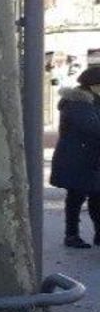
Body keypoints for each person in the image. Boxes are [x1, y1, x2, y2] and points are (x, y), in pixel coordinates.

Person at [49, 66, 100, 248]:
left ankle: (98, 234)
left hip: (90, 159)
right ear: (93, 85)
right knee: (76, 197)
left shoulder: (94, 101)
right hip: (77, 159)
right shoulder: (79, 103)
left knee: (96, 197)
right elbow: (92, 128)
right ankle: (71, 236)